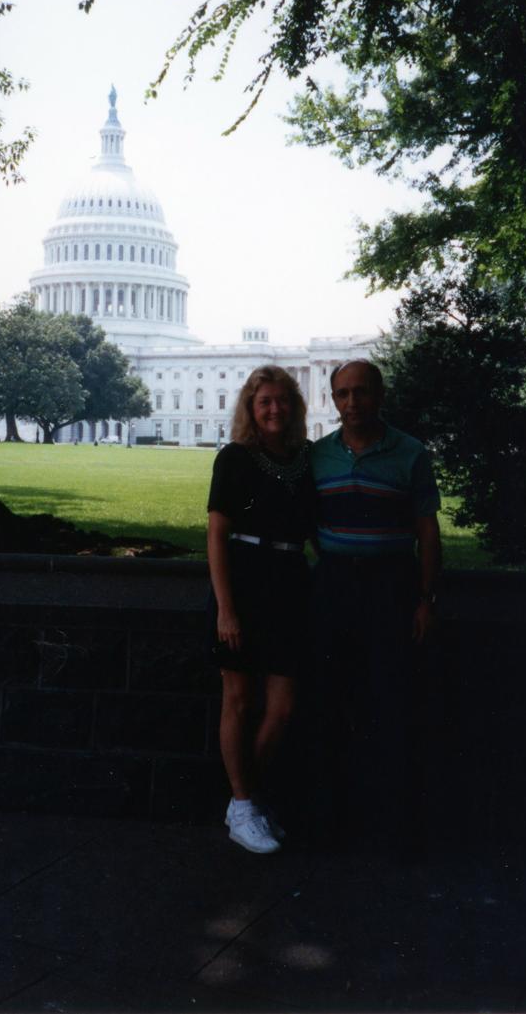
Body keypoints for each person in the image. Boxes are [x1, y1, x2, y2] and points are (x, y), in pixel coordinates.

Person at [310, 358, 442, 857]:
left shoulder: (410, 453)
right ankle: (329, 823)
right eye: (342, 394)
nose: (352, 403)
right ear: (333, 399)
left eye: (361, 392)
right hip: (334, 585)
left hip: (391, 587)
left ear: (379, 395)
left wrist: (425, 599)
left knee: (391, 704)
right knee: (328, 702)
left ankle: (395, 829)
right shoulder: (319, 455)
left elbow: (427, 531)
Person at [207, 366, 314, 854]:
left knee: (283, 706)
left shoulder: (304, 459)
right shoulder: (235, 458)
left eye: (282, 400)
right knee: (239, 699)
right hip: (245, 581)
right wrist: (226, 609)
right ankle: (245, 804)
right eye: (264, 401)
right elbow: (216, 534)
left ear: (294, 406)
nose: (274, 409)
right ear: (251, 408)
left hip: (290, 583)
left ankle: (245, 801)